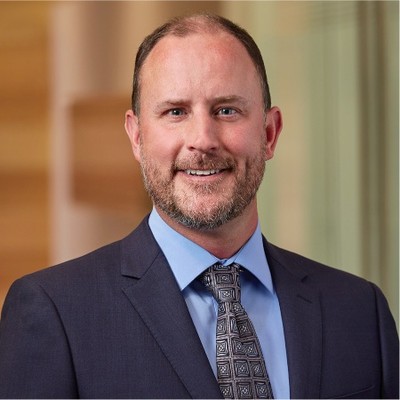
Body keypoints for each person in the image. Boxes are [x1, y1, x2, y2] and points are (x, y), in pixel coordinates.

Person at [0, 13, 398, 400]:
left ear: (269, 133)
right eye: (175, 112)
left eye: (227, 110)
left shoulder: (360, 312)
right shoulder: (54, 312)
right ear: (137, 137)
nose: (203, 140)